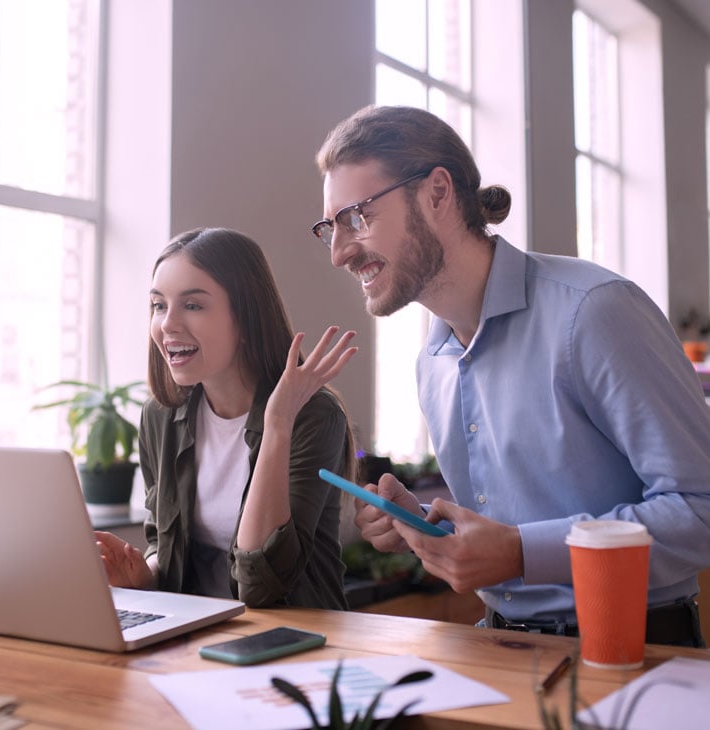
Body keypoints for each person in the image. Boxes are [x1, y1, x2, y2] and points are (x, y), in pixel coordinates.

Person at [312, 104, 710, 645]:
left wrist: (523, 550)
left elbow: (701, 507)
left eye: (358, 216)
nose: (338, 253)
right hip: (500, 648)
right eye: (329, 226)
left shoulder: (593, 311)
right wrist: (429, 525)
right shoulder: (433, 360)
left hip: (632, 652)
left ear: (437, 193)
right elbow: (511, 524)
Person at [95, 227, 358, 609]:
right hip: (193, 639)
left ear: (246, 318)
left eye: (193, 305)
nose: (167, 324)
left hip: (296, 641)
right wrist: (145, 576)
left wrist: (277, 425)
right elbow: (163, 547)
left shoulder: (312, 416)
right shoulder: (160, 416)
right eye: (158, 305)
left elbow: (262, 587)